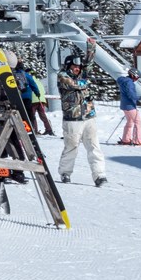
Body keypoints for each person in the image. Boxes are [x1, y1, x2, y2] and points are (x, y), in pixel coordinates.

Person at [58, 53, 107, 186]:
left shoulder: (82, 75)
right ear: (68, 65)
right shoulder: (62, 76)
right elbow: (74, 85)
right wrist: (85, 82)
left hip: (88, 117)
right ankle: (65, 173)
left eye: (79, 66)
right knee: (71, 147)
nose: (77, 68)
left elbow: (89, 63)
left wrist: (91, 48)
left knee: (94, 146)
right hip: (72, 119)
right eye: (74, 66)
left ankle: (99, 175)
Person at [16, 61, 53, 135]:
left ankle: (32, 130)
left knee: (28, 115)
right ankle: (48, 129)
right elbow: (36, 87)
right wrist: (38, 94)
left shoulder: (15, 75)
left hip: (25, 98)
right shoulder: (36, 80)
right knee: (41, 115)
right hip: (38, 99)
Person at [116, 68, 141, 146]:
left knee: (130, 122)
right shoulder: (129, 83)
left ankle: (125, 139)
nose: (137, 79)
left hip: (124, 105)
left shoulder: (124, 81)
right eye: (136, 77)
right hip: (130, 105)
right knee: (137, 122)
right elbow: (131, 95)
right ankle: (137, 141)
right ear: (132, 75)